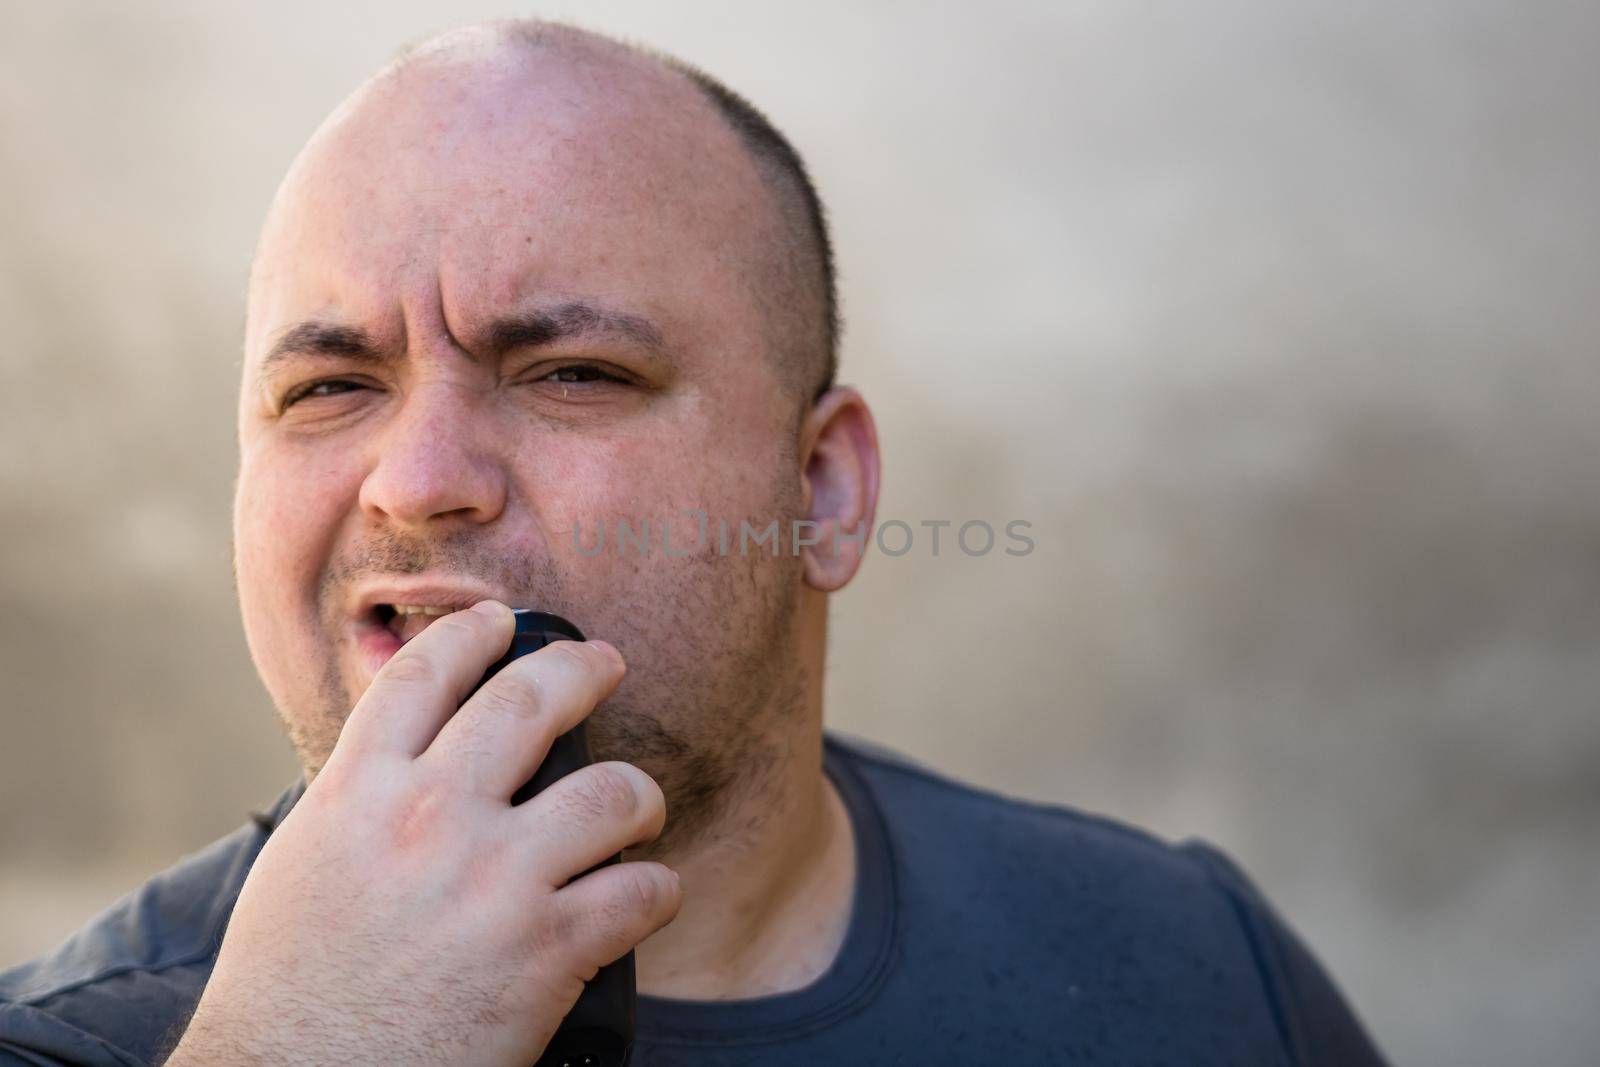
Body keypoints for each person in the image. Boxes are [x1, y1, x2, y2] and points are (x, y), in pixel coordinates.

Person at [0, 18, 1388, 1066]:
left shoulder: (1193, 978)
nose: (417, 483)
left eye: (574, 374)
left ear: (824, 491)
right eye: (328, 388)